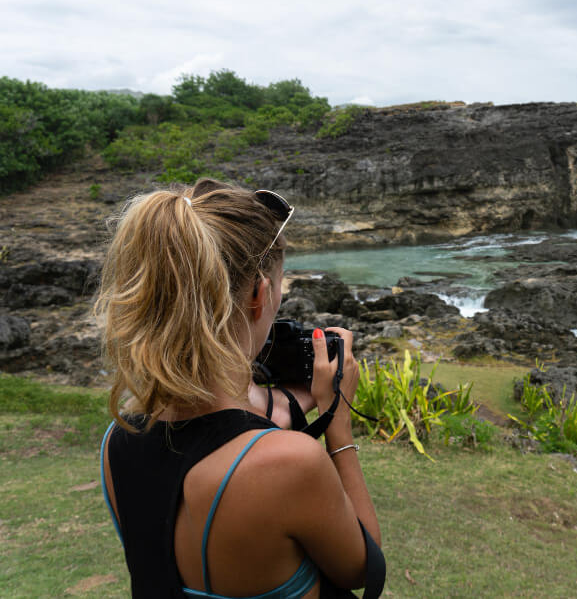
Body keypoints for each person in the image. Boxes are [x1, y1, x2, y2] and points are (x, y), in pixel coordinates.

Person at [96, 178, 384, 598]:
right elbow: (363, 565)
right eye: (280, 285)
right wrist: (337, 424)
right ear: (258, 294)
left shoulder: (118, 440)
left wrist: (279, 409)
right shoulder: (290, 463)